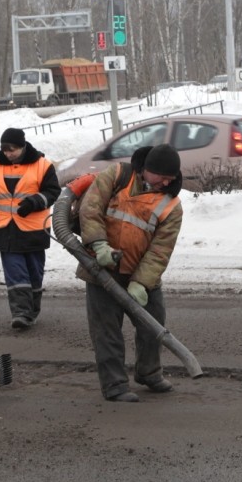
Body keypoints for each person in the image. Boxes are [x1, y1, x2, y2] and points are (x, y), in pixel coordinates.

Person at [76, 144, 184, 402]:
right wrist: (99, 244)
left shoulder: (171, 206)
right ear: (145, 169)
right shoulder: (116, 176)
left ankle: (149, 372)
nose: (165, 182)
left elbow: (160, 250)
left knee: (152, 326)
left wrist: (142, 283)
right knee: (107, 332)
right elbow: (90, 209)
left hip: (141, 275)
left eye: (170, 178)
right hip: (102, 270)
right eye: (161, 176)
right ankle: (114, 384)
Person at [0, 127, 60, 329]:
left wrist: (34, 202)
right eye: (5, 150)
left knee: (34, 274)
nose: (9, 154)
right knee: (15, 273)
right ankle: (21, 313)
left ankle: (32, 310)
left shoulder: (43, 165)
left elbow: (53, 191)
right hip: (5, 230)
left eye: (13, 150)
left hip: (34, 229)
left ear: (23, 146)